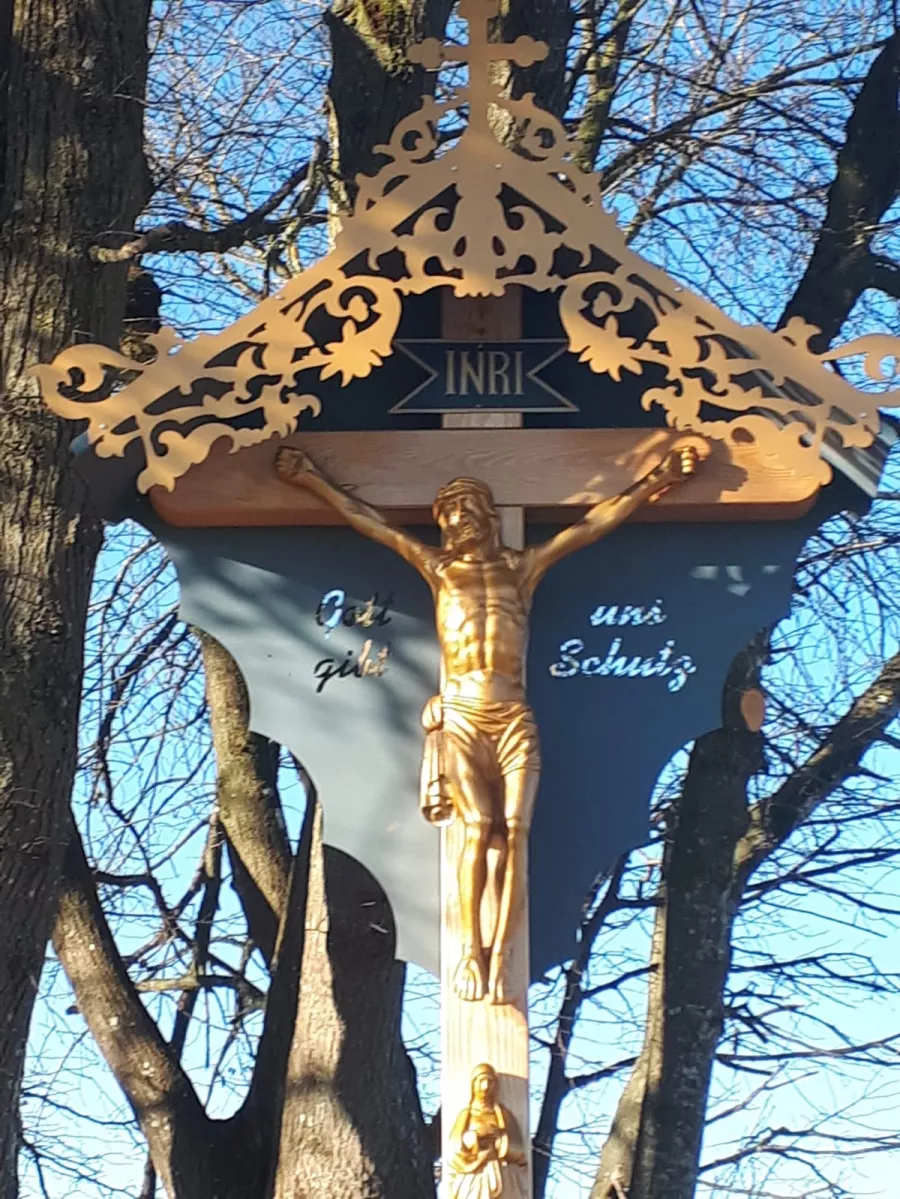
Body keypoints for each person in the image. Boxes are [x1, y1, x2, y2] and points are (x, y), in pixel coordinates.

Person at [276, 442, 699, 1003]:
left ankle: (501, 958)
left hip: (513, 715)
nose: (457, 523)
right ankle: (469, 952)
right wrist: (312, 479)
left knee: (515, 837)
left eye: (467, 512)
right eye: (448, 516)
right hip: (464, 717)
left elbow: (593, 524)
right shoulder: (439, 569)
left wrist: (658, 478)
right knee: (478, 830)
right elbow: (370, 524)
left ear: (488, 518)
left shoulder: (520, 568)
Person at [448, 1062, 527, 1199]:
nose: (485, 1087)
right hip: (473, 1176)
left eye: (490, 1082)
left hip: (500, 1176)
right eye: (481, 1081)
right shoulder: (466, 1115)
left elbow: (518, 1152)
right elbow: (453, 1149)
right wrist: (473, 1138)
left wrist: (500, 1139)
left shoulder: (504, 1115)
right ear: (472, 1085)